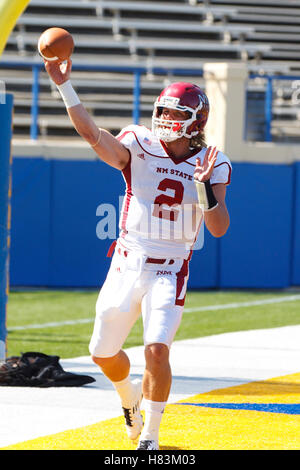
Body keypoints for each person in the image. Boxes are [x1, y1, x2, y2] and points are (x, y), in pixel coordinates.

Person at [44, 58, 231, 451]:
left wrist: (203, 189)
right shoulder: (138, 142)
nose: (164, 117)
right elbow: (93, 135)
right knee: (101, 354)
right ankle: (129, 399)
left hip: (172, 268)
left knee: (157, 350)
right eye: (161, 109)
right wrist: (65, 86)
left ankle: (150, 437)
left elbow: (218, 228)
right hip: (127, 262)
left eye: (175, 112)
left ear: (196, 120)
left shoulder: (211, 163)